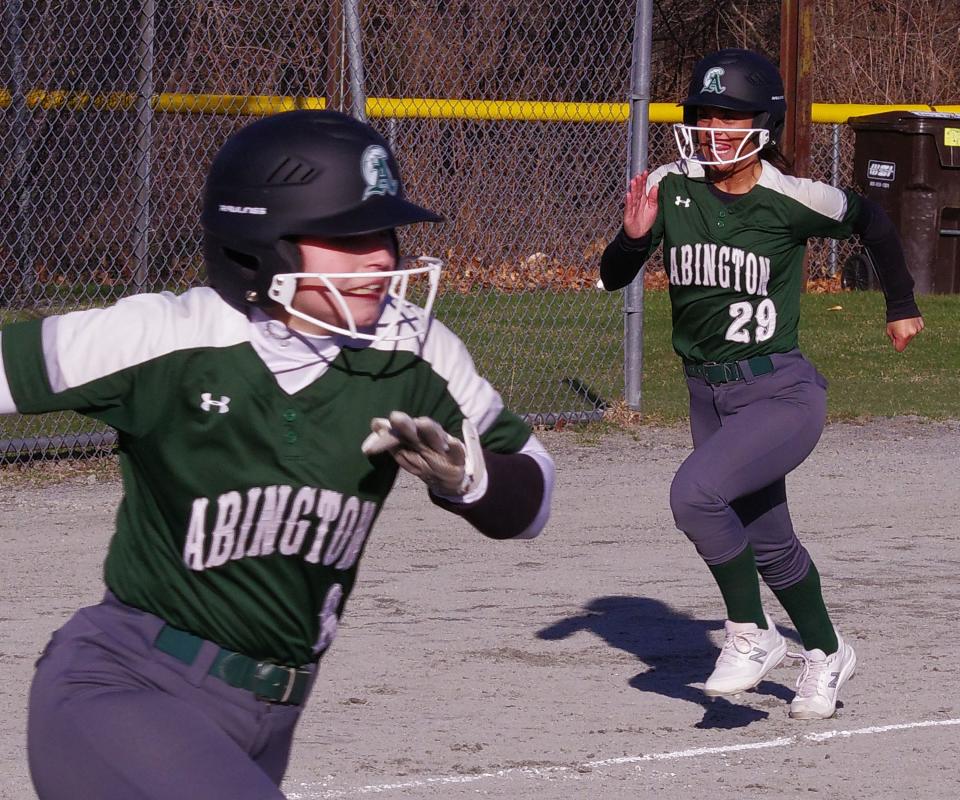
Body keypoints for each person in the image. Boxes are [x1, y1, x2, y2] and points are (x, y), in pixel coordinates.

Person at [3, 109, 555, 799]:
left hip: (271, 718)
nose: (382, 255)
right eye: (348, 235)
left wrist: (471, 479)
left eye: (382, 230)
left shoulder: (414, 349)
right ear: (258, 247)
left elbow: (535, 494)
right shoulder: (169, 336)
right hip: (126, 689)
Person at [599, 48, 923, 720]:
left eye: (732, 116)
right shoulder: (675, 184)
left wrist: (900, 304)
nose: (715, 128)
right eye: (705, 115)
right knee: (770, 541)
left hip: (779, 392)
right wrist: (633, 242)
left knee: (695, 495)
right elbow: (612, 274)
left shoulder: (792, 197)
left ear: (764, 124)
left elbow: (876, 223)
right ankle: (829, 653)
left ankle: (751, 632)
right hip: (706, 394)